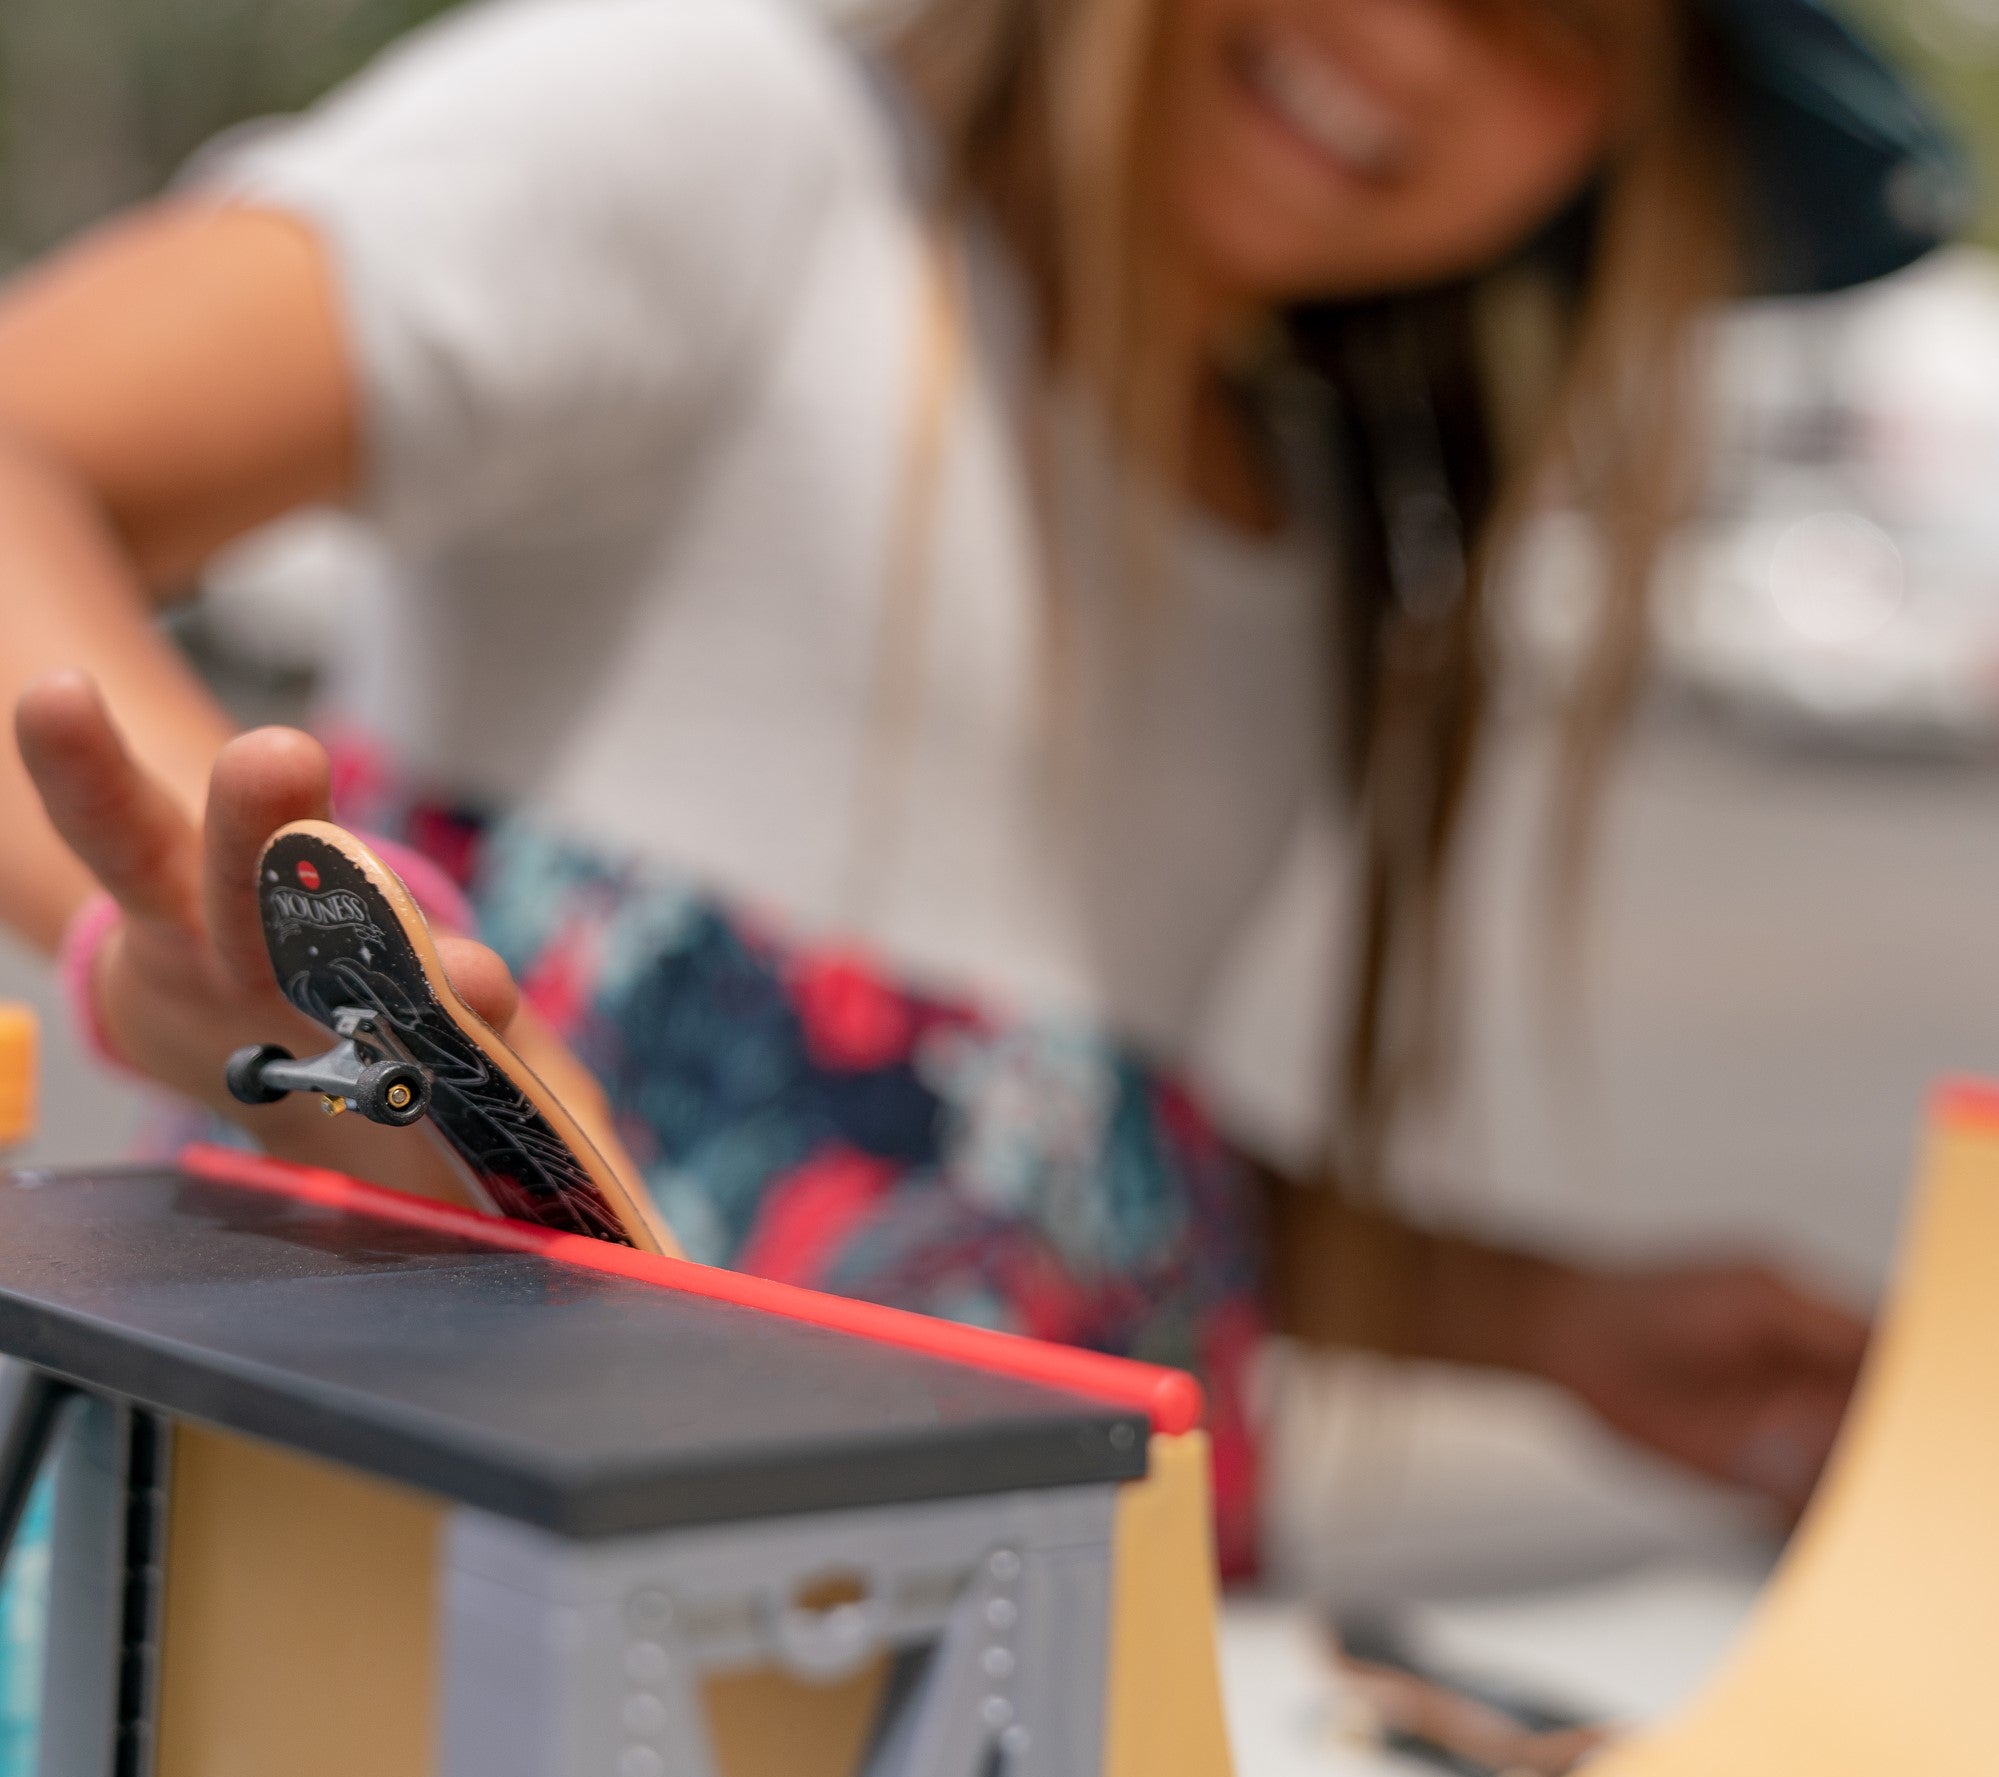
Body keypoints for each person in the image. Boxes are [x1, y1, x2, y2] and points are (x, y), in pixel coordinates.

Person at [0, 0, 1953, 1578]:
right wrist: (202, 910)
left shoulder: (1304, 500)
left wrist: (1536, 1318)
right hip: (513, 1664)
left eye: (1564, 30)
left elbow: (1037, 1137)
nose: (1419, 48)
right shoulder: (737, 132)